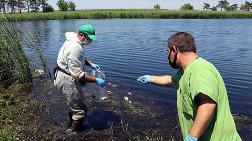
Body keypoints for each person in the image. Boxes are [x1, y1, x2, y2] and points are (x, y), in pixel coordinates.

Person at [138, 32, 241, 141]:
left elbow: (207, 105)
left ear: (175, 49)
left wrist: (192, 137)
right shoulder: (186, 71)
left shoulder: (200, 70)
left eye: (168, 52)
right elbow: (170, 80)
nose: (167, 56)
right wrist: (150, 78)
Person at [54, 24, 105, 133]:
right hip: (67, 79)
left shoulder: (75, 41)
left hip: (65, 75)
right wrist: (96, 80)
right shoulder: (75, 47)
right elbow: (78, 75)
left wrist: (90, 64)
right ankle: (74, 133)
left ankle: (69, 125)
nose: (90, 41)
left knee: (74, 104)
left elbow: (79, 58)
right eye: (89, 38)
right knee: (80, 110)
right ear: (81, 34)